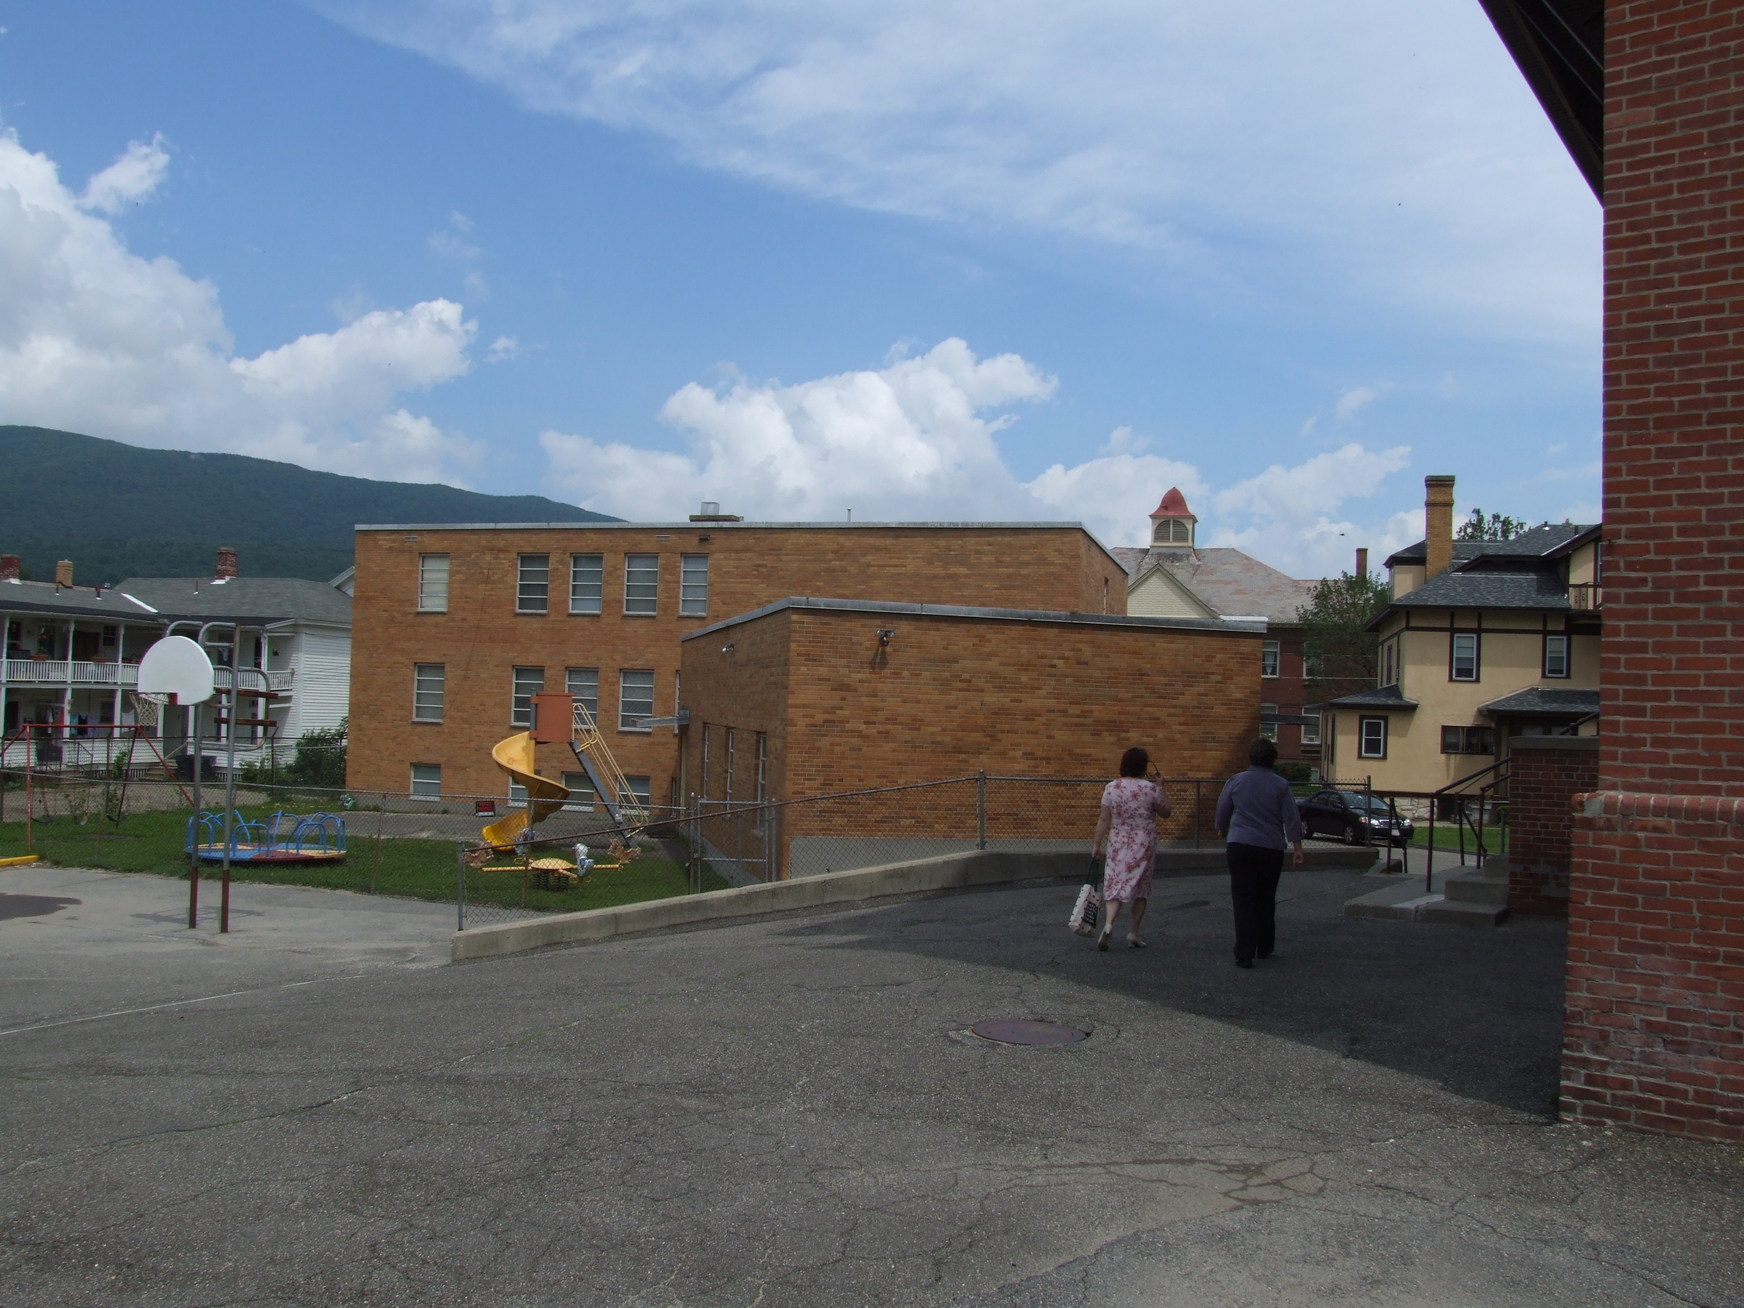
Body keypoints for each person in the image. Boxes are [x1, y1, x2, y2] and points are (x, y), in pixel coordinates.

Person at [1214, 737, 1305, 968]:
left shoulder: (1236, 781)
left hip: (1240, 845)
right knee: (1265, 898)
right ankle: (1264, 945)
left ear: (1250, 757)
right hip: (1270, 846)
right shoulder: (1280, 785)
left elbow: (1223, 807)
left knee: (1243, 899)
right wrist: (1297, 847)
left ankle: (1243, 953)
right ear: (1273, 759)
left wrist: (1221, 827)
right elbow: (1291, 817)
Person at [1090, 746, 1170, 950]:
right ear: (1144, 767)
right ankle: (1133, 932)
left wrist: (1097, 844)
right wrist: (1161, 786)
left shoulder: (1112, 788)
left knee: (1115, 884)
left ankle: (1108, 924)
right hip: (1143, 843)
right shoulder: (1150, 789)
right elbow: (1166, 812)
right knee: (1141, 888)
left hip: (1118, 842)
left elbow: (1103, 819)